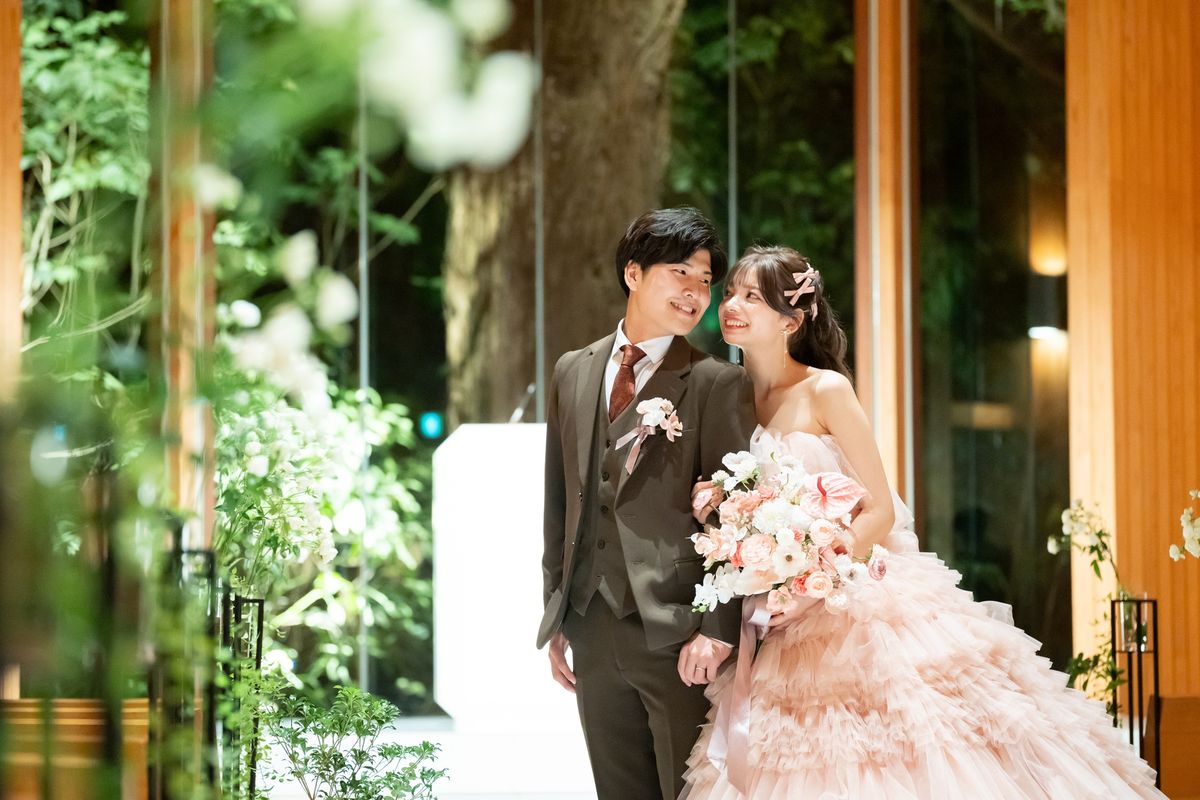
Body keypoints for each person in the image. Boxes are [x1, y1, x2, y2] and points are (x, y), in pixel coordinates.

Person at [681, 245, 1166, 799]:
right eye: (731, 293)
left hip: (850, 601)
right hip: (773, 612)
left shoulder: (826, 390)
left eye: (751, 297)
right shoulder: (730, 396)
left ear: (792, 321)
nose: (731, 305)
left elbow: (879, 510)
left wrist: (812, 581)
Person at [536, 207, 759, 800]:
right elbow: (559, 502)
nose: (696, 293)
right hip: (591, 623)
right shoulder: (572, 371)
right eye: (680, 273)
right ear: (633, 273)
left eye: (705, 281)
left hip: (679, 637)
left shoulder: (715, 382)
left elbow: (738, 516)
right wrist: (557, 614)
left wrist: (718, 630)